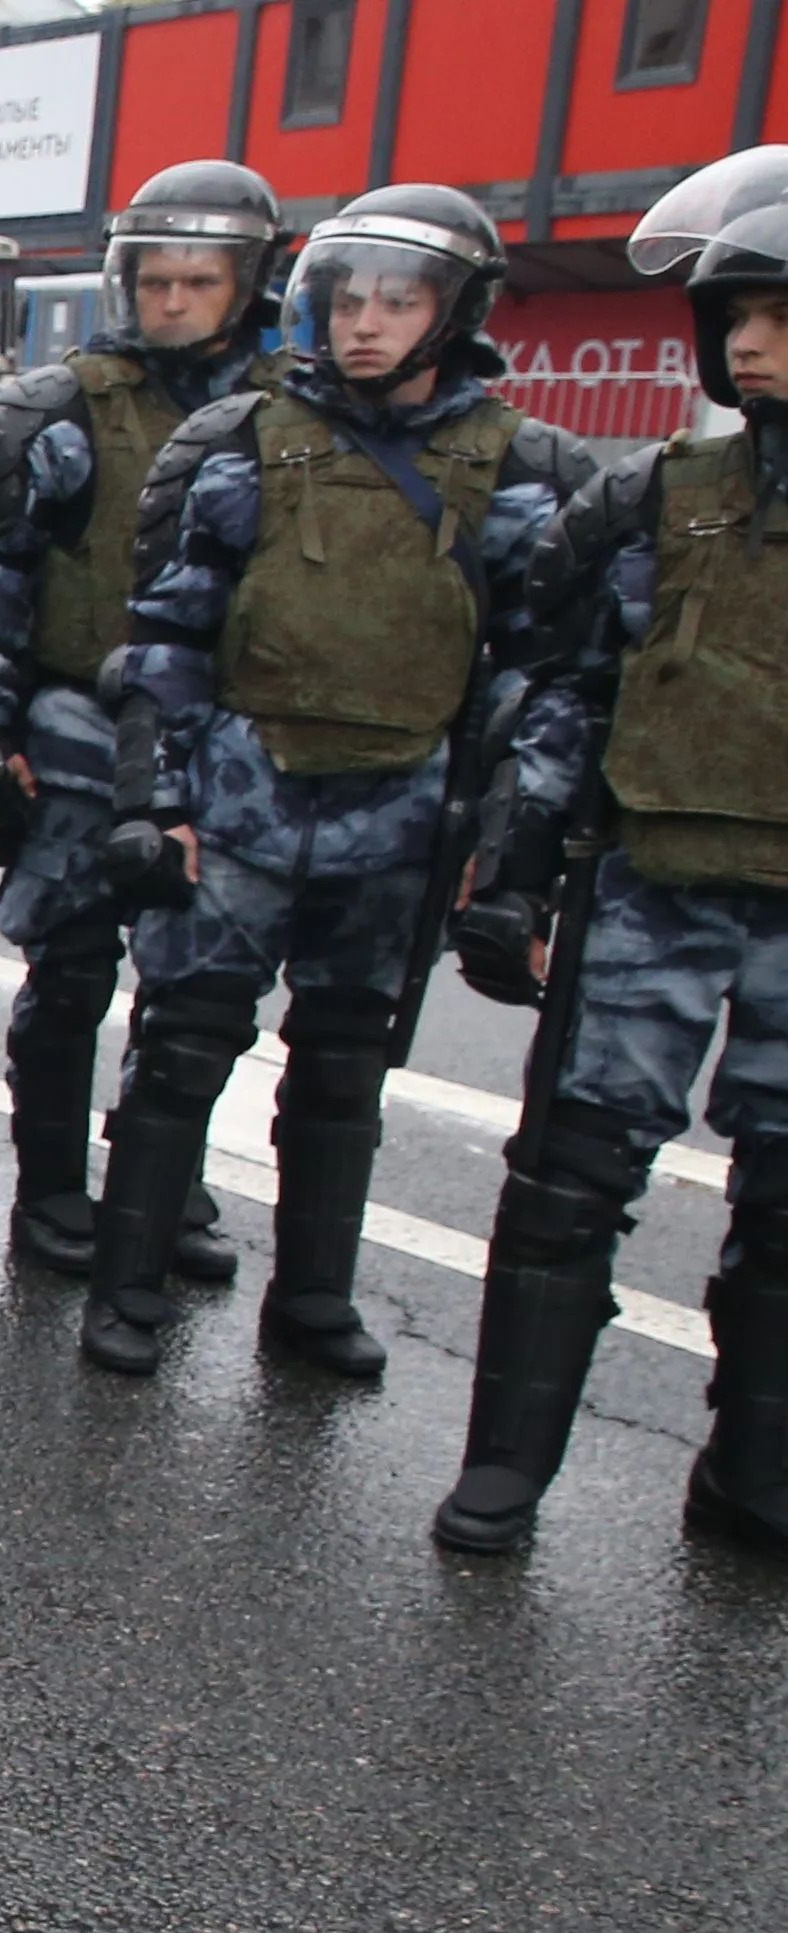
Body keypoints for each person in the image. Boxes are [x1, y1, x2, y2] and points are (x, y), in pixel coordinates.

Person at [88, 186, 587, 1378]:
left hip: (404, 815)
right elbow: (167, 637)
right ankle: (127, 1285)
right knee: (183, 1045)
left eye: (398, 303)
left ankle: (312, 1298)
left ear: (453, 314)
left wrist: (506, 848)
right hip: (240, 804)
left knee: (345, 1065)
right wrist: (156, 801)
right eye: (349, 300)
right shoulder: (238, 442)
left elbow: (541, 679)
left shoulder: (523, 465)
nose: (365, 324)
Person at [428, 150, 788, 1557]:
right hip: (652, 885)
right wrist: (515, 867)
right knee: (568, 1180)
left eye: (779, 317)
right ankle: (506, 1468)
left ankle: (753, 1474)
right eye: (734, 316)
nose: (747, 344)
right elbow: (563, 691)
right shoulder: (654, 498)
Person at [0, 163, 288, 1290]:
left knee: (197, 993)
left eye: (201, 280)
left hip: (229, 746)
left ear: (249, 284)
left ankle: (162, 1181)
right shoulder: (65, 409)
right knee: (70, 970)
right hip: (77, 731)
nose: (174, 301)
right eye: (156, 280)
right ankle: (50, 1190)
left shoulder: (298, 416)